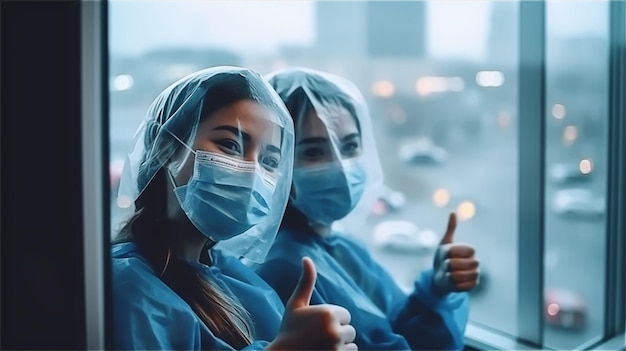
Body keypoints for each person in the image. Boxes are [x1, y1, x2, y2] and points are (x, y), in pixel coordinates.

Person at [111, 66, 357, 350]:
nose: (252, 171)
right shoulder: (129, 288)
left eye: (269, 161)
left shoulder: (232, 274)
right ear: (166, 146)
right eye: (229, 144)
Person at [254, 67, 480, 350]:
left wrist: (436, 289)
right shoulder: (285, 269)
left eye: (349, 146)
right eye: (313, 152)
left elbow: (401, 328)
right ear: (275, 162)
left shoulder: (342, 245)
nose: (341, 167)